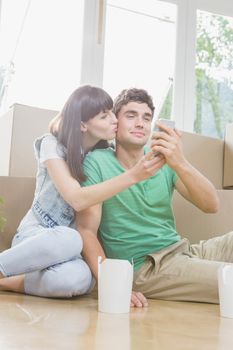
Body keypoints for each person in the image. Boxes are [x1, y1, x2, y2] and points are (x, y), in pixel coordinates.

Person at [0, 85, 164, 298]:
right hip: (38, 237)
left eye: (112, 114)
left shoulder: (100, 157)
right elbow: (76, 199)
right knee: (71, 237)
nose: (115, 121)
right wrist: (133, 175)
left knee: (80, 280)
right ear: (83, 125)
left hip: (70, 251)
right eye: (105, 117)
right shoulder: (52, 145)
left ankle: (9, 283)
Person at [76, 87, 233, 308]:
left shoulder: (164, 159)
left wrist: (179, 161)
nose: (140, 123)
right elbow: (86, 230)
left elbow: (211, 205)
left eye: (146, 117)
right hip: (148, 267)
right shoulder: (97, 162)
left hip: (183, 251)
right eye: (131, 116)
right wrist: (113, 284)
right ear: (115, 122)